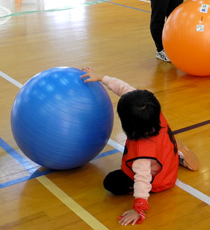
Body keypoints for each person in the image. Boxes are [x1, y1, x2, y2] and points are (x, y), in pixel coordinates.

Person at [80, 67, 199, 226]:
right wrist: (101, 78)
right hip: (166, 159)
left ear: (129, 125)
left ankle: (176, 155)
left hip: (158, 181)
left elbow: (142, 180)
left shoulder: (142, 154)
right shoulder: (151, 112)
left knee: (111, 183)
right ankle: (177, 154)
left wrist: (138, 208)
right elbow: (125, 89)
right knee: (159, 154)